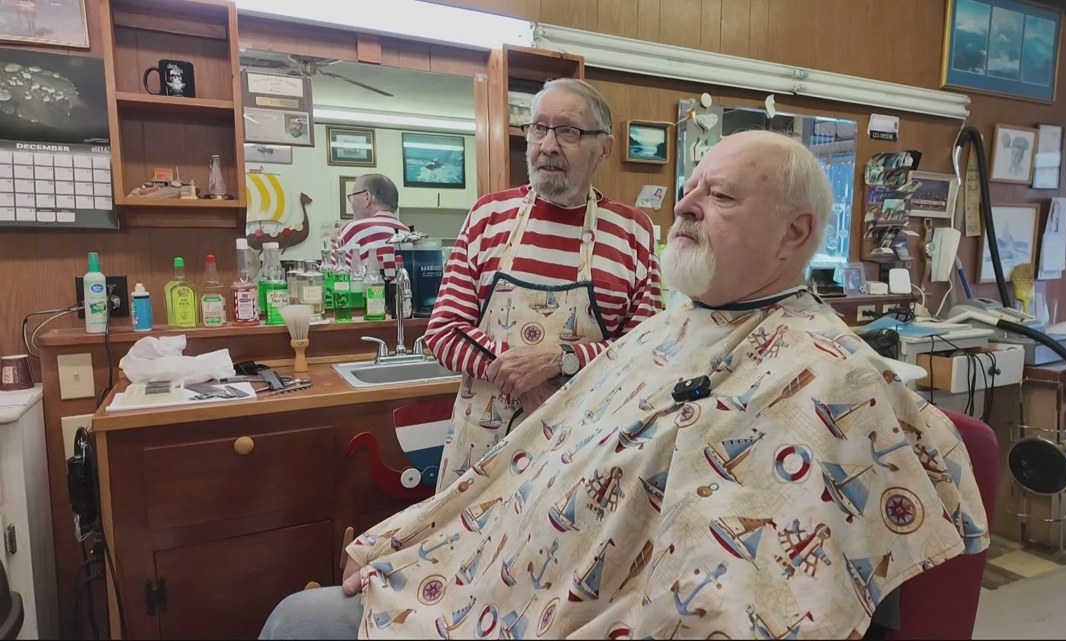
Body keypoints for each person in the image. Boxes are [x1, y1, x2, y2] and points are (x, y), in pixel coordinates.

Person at [260, 130, 989, 640]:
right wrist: (407, 538)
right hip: (502, 573)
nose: (686, 207)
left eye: (721, 197)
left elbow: (757, 588)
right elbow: (522, 457)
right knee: (299, 614)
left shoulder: (833, 375)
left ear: (795, 235)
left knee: (298, 623)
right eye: (690, 190)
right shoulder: (669, 328)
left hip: (585, 608)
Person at [422, 78, 662, 492]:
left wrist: (561, 361)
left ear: (603, 148)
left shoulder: (632, 232)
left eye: (568, 132)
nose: (548, 145)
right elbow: (444, 332)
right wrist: (520, 376)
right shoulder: (488, 216)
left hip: (582, 448)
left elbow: (646, 350)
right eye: (538, 128)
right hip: (481, 450)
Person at [336, 173, 409, 278]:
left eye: (352, 197)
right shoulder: (407, 233)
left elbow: (335, 278)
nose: (352, 204)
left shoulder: (355, 229)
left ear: (367, 197)